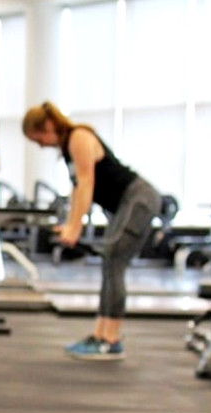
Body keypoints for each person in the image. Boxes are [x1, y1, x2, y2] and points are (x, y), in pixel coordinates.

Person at [22, 101, 162, 360]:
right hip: (125, 204)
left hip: (138, 199)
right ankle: (100, 334)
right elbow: (77, 189)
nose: (40, 145)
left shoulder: (79, 137)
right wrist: (70, 224)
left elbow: (87, 183)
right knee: (110, 262)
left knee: (114, 262)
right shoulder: (68, 148)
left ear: (49, 125)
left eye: (38, 138)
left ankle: (111, 339)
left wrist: (75, 228)